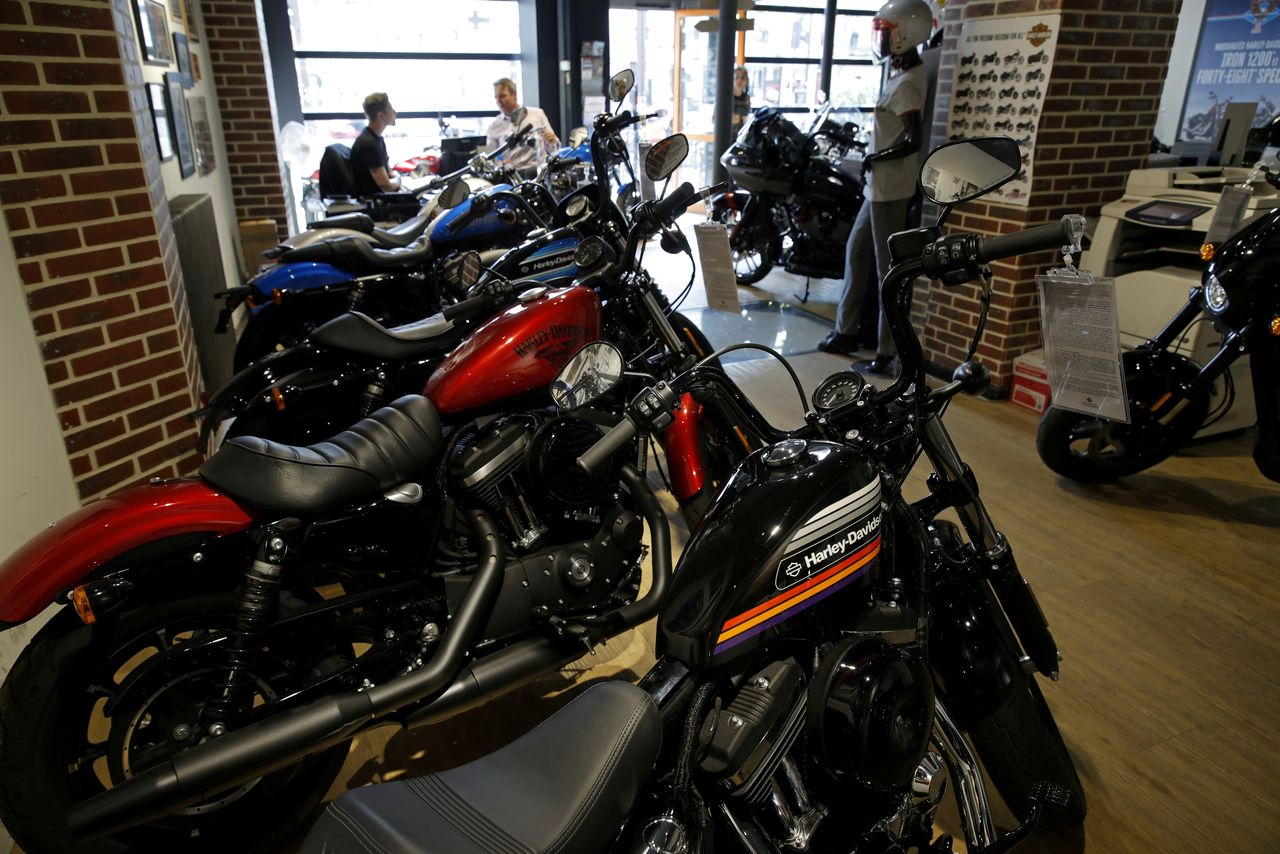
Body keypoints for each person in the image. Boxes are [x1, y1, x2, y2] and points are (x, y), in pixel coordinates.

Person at [817, 0, 932, 377]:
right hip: (876, 187)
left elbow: (913, 140)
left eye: (885, 32)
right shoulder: (897, 74)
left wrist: (877, 157)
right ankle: (846, 330)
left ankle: (887, 352)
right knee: (856, 251)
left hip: (891, 189)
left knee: (889, 271)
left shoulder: (911, 81)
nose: (880, 40)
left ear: (904, 34)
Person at [487, 77, 559, 171]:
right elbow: (492, 156)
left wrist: (552, 141)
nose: (498, 101)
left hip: (537, 170)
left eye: (502, 96)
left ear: (514, 95)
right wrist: (501, 162)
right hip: (511, 174)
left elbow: (554, 148)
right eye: (496, 97)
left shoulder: (537, 114)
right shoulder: (494, 126)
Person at [350, 92, 401, 197]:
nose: (395, 112)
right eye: (391, 109)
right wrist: (400, 181)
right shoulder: (368, 144)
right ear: (380, 115)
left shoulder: (377, 138)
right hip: (376, 204)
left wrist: (396, 177)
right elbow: (387, 188)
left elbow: (388, 172)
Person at [732, 66, 751, 137]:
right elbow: (714, 120)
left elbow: (745, 118)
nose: (739, 81)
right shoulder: (726, 97)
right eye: (737, 77)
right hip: (726, 137)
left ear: (746, 81)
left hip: (740, 137)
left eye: (742, 78)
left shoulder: (746, 98)